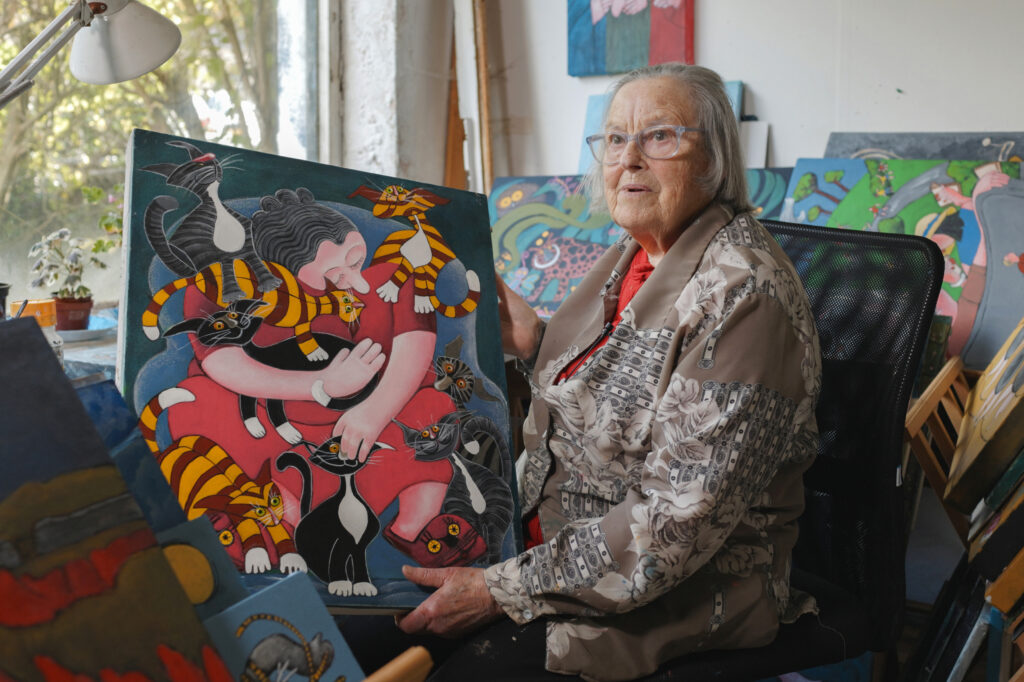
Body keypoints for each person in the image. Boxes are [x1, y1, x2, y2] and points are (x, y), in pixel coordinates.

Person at [390, 63, 823, 681]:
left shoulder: (746, 296)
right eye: (616, 138)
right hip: (548, 550)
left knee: (444, 673)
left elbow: (674, 526)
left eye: (660, 136)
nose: (629, 159)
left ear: (715, 158)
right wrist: (535, 344)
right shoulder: (634, 255)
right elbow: (627, 388)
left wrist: (499, 589)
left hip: (679, 589)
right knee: (360, 629)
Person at [163, 188, 468, 569]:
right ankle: (278, 517)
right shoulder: (229, 284)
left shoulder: (392, 280)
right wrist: (321, 385)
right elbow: (221, 361)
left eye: (356, 261)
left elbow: (415, 347)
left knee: (434, 407)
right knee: (197, 403)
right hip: (272, 414)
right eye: (336, 274)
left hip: (374, 410)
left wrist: (372, 413)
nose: (355, 281)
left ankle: (412, 528)